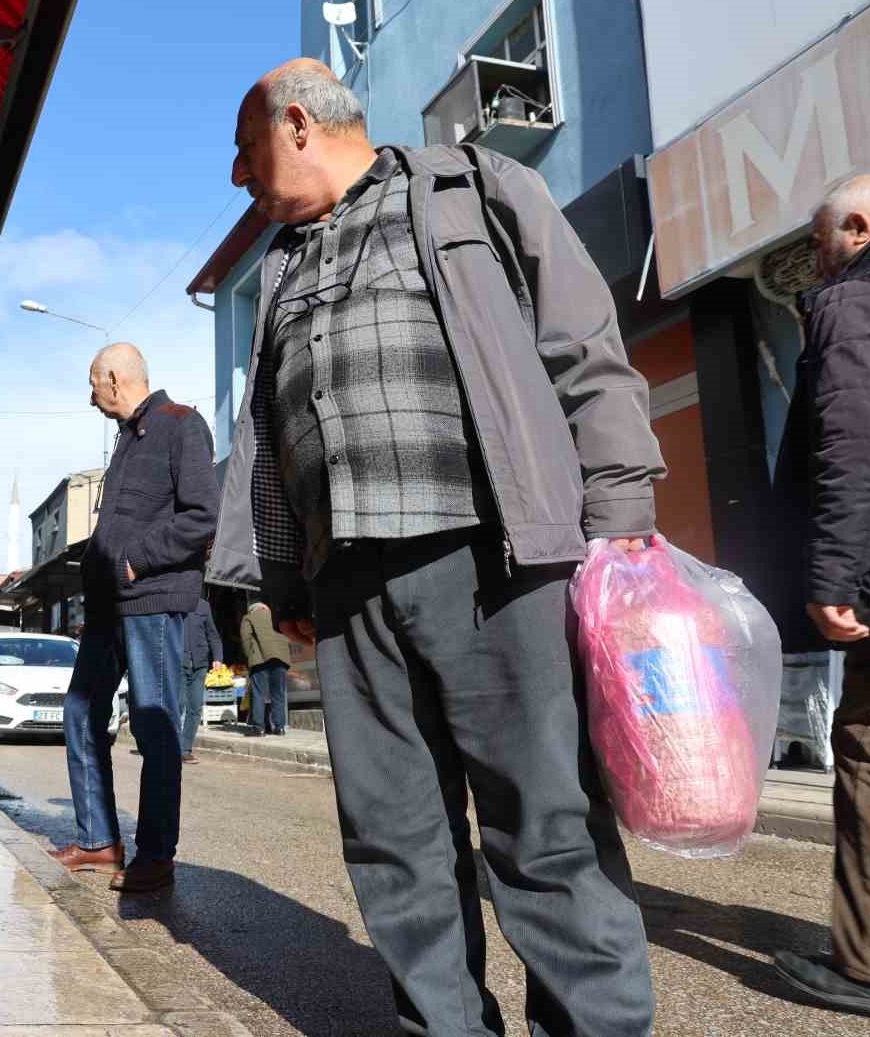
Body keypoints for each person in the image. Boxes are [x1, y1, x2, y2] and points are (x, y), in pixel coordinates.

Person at [208, 60, 665, 1035]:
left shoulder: (471, 188)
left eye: (243, 152)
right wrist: (282, 573)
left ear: (295, 124)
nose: (238, 179)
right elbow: (274, 429)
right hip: (351, 589)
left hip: (492, 556)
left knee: (544, 832)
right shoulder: (283, 266)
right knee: (391, 841)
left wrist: (619, 512)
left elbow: (579, 341)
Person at [770, 174, 870, 1023]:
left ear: (857, 227)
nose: (817, 264)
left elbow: (857, 447)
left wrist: (833, 578)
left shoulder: (859, 301)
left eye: (820, 244)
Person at [50, 343, 217, 891]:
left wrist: (132, 562)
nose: (91, 397)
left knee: (154, 723)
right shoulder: (126, 438)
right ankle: (99, 839)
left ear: (114, 378)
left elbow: (201, 518)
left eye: (93, 385)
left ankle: (156, 856)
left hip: (151, 600)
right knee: (80, 713)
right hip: (107, 611)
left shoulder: (180, 425)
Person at [179, 594, 223, 762]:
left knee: (195, 707)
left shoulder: (203, 606)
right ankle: (172, 746)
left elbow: (212, 633)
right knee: (179, 704)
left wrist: (217, 657)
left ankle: (185, 749)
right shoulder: (174, 601)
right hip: (178, 662)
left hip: (200, 663)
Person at [239, 599, 291, 736]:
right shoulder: (273, 618)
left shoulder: (248, 618)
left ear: (252, 610)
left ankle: (259, 727)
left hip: (259, 659)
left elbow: (245, 639)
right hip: (280, 658)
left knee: (259, 693)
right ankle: (279, 727)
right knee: (278, 694)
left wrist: (250, 655)